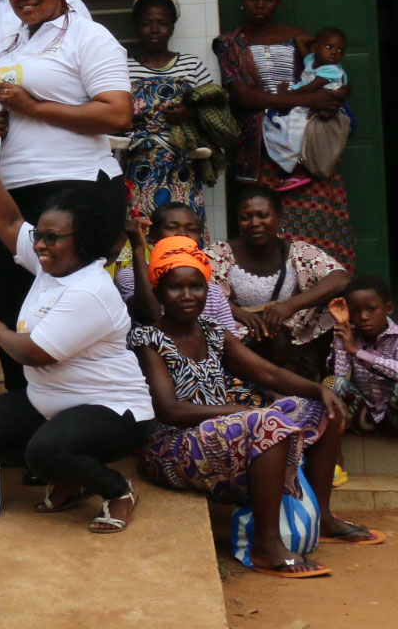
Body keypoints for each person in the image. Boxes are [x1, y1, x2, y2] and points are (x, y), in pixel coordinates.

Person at [131, 235, 381, 578]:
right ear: (159, 292)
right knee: (266, 422)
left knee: (319, 407)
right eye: (176, 287)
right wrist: (244, 414)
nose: (188, 296)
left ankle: (323, 517)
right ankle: (267, 546)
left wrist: (319, 390)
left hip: (222, 434)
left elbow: (266, 372)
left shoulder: (213, 331)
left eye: (196, 287)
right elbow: (170, 410)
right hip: (171, 448)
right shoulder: (149, 339)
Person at [0, 112, 153, 533]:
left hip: (113, 411)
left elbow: (34, 353)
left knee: (46, 450)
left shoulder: (89, 290)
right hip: (51, 403)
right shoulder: (51, 268)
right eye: (39, 235)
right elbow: (6, 221)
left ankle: (116, 489)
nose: (39, 244)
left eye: (51, 238)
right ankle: (71, 478)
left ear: (80, 242)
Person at [0, 0, 131, 391]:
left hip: (76, 189)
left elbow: (118, 114)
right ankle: (26, 410)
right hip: (14, 192)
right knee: (11, 303)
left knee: (67, 307)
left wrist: (34, 106)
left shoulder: (89, 36)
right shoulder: (7, 40)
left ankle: (89, 408)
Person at [213, 0, 355, 271]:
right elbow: (243, 96)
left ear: (277, 2)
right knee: (269, 228)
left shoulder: (300, 38)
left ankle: (329, 292)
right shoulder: (228, 43)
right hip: (260, 150)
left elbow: (335, 73)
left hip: (307, 143)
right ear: (243, 1)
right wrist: (306, 99)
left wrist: (338, 95)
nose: (259, 5)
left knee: (318, 224)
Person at [209, 186, 349, 381]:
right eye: (245, 217)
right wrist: (240, 314)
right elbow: (203, 290)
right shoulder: (220, 253)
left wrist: (290, 305)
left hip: (289, 324)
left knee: (333, 303)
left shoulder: (297, 250)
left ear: (279, 217)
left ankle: (329, 377)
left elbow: (340, 278)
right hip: (239, 327)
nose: (254, 223)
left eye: (262, 215)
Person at [125, 0, 226, 227]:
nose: (155, 29)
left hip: (184, 166)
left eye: (162, 23)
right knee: (142, 231)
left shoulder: (192, 66)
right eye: (147, 23)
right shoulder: (123, 68)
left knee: (184, 231)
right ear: (137, 26)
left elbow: (217, 112)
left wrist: (189, 113)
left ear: (172, 27)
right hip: (139, 166)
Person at [119, 204, 238, 331]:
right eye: (172, 228)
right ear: (153, 236)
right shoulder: (131, 275)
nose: (182, 234)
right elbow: (150, 316)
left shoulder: (212, 289)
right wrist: (138, 249)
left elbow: (228, 340)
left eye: (191, 229)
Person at [261, 27, 349, 192]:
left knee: (296, 132)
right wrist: (321, 39)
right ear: (315, 48)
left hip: (322, 107)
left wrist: (286, 96)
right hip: (306, 104)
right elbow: (301, 40)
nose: (335, 52)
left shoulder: (332, 70)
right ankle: (293, 165)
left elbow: (310, 87)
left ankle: (298, 169)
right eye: (329, 47)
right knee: (283, 128)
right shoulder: (310, 60)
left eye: (340, 50)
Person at [328, 276, 398, 433]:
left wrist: (356, 352)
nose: (363, 317)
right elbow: (339, 376)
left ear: (389, 308)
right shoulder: (350, 336)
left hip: (394, 418)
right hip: (363, 417)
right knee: (333, 383)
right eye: (356, 311)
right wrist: (342, 328)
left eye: (371, 309)